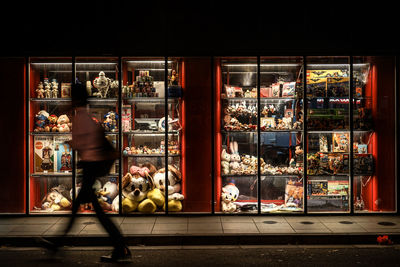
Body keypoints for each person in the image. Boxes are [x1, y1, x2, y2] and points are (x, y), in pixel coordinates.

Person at [40, 83, 131, 263]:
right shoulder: (84, 117)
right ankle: (119, 247)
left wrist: (70, 144)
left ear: (76, 99)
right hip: (91, 168)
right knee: (85, 211)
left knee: (88, 212)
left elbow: (84, 145)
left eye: (71, 97)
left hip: (90, 168)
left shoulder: (80, 118)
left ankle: (120, 247)